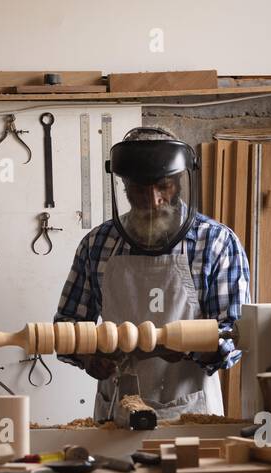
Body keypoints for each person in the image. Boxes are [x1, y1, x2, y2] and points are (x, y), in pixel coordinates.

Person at [54, 126, 249, 424]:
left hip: (190, 413)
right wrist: (89, 357)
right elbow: (67, 326)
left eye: (163, 186)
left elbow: (236, 336)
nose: (153, 199)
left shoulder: (216, 243)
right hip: (116, 411)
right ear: (122, 185)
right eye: (140, 189)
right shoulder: (98, 244)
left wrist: (192, 348)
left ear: (180, 181)